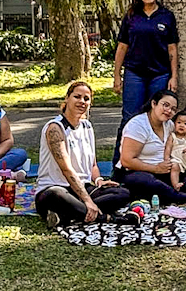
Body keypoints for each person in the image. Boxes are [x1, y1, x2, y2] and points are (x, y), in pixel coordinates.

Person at [37, 79, 132, 227]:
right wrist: (87, 200)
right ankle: (105, 218)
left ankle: (68, 215)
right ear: (67, 98)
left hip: (83, 188)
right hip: (57, 189)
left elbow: (92, 164)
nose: (82, 101)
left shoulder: (87, 126)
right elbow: (66, 169)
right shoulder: (55, 128)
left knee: (122, 193)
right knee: (55, 195)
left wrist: (99, 180)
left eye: (86, 99)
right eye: (77, 97)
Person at [118, 88, 186, 204]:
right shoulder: (138, 125)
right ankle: (183, 197)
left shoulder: (169, 125)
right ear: (154, 104)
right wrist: (156, 169)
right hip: (138, 171)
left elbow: (181, 147)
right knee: (150, 182)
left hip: (167, 170)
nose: (169, 111)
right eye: (165, 105)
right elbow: (126, 161)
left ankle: (173, 194)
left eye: (173, 109)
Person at [112, 0, 180, 128]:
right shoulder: (131, 16)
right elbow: (122, 47)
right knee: (130, 118)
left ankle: (154, 152)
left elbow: (172, 48)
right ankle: (122, 152)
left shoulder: (167, 16)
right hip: (134, 74)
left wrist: (174, 76)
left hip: (160, 74)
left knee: (156, 117)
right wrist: (117, 75)